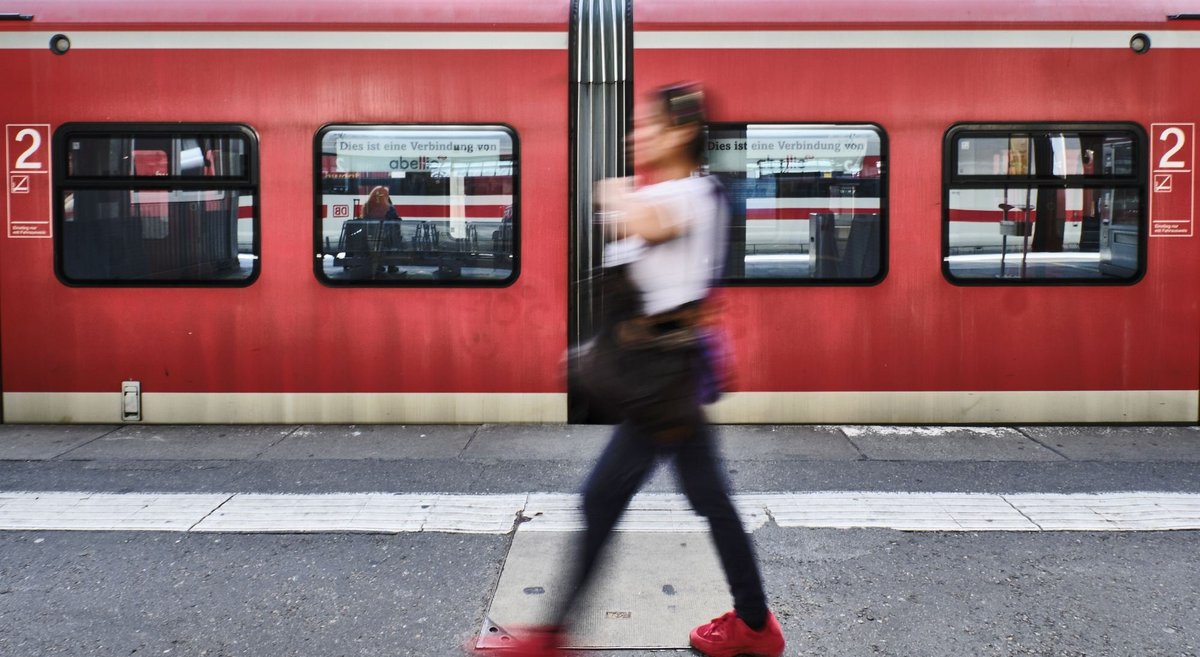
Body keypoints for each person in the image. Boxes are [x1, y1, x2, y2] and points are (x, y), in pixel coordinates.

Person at [485, 83, 785, 657]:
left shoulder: (694, 194)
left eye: (648, 125)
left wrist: (614, 193)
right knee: (706, 498)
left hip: (663, 382)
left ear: (682, 132)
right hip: (660, 383)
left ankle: (555, 636)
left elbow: (649, 226)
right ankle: (753, 625)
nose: (636, 135)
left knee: (608, 499)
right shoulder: (676, 192)